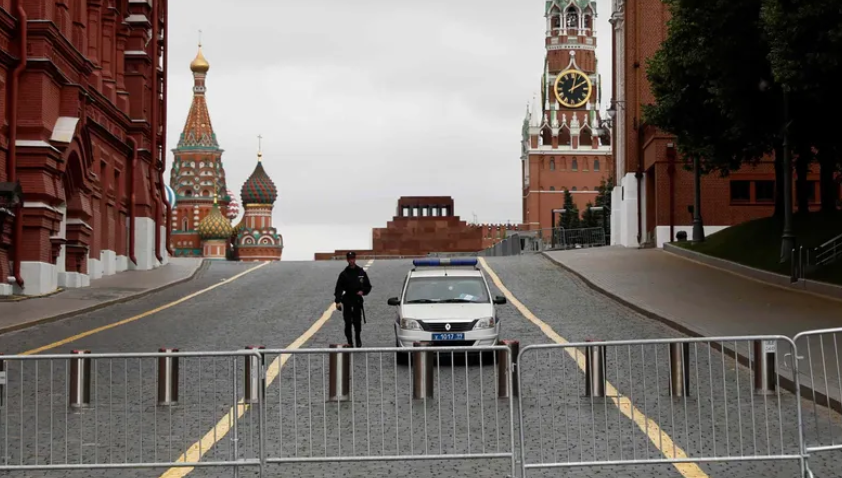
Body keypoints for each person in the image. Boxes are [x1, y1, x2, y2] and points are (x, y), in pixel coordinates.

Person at [334, 251, 372, 347]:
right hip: (347, 300)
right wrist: (337, 301)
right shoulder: (344, 274)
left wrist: (362, 291)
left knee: (357, 322)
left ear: (355, 259)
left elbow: (368, 286)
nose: (351, 260)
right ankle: (350, 341)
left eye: (353, 259)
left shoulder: (361, 272)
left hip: (357, 301)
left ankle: (358, 338)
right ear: (347, 260)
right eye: (350, 259)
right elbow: (338, 288)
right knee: (347, 322)